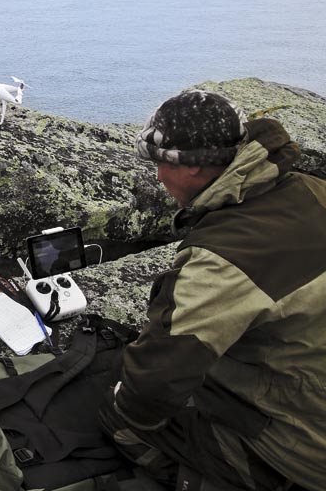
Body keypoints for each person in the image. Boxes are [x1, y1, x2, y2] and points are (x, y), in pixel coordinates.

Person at [98, 90, 326, 491]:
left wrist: (126, 401)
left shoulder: (220, 259)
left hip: (306, 447)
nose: (157, 176)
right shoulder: (312, 190)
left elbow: (156, 381)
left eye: (160, 164)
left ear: (190, 168)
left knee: (117, 411)